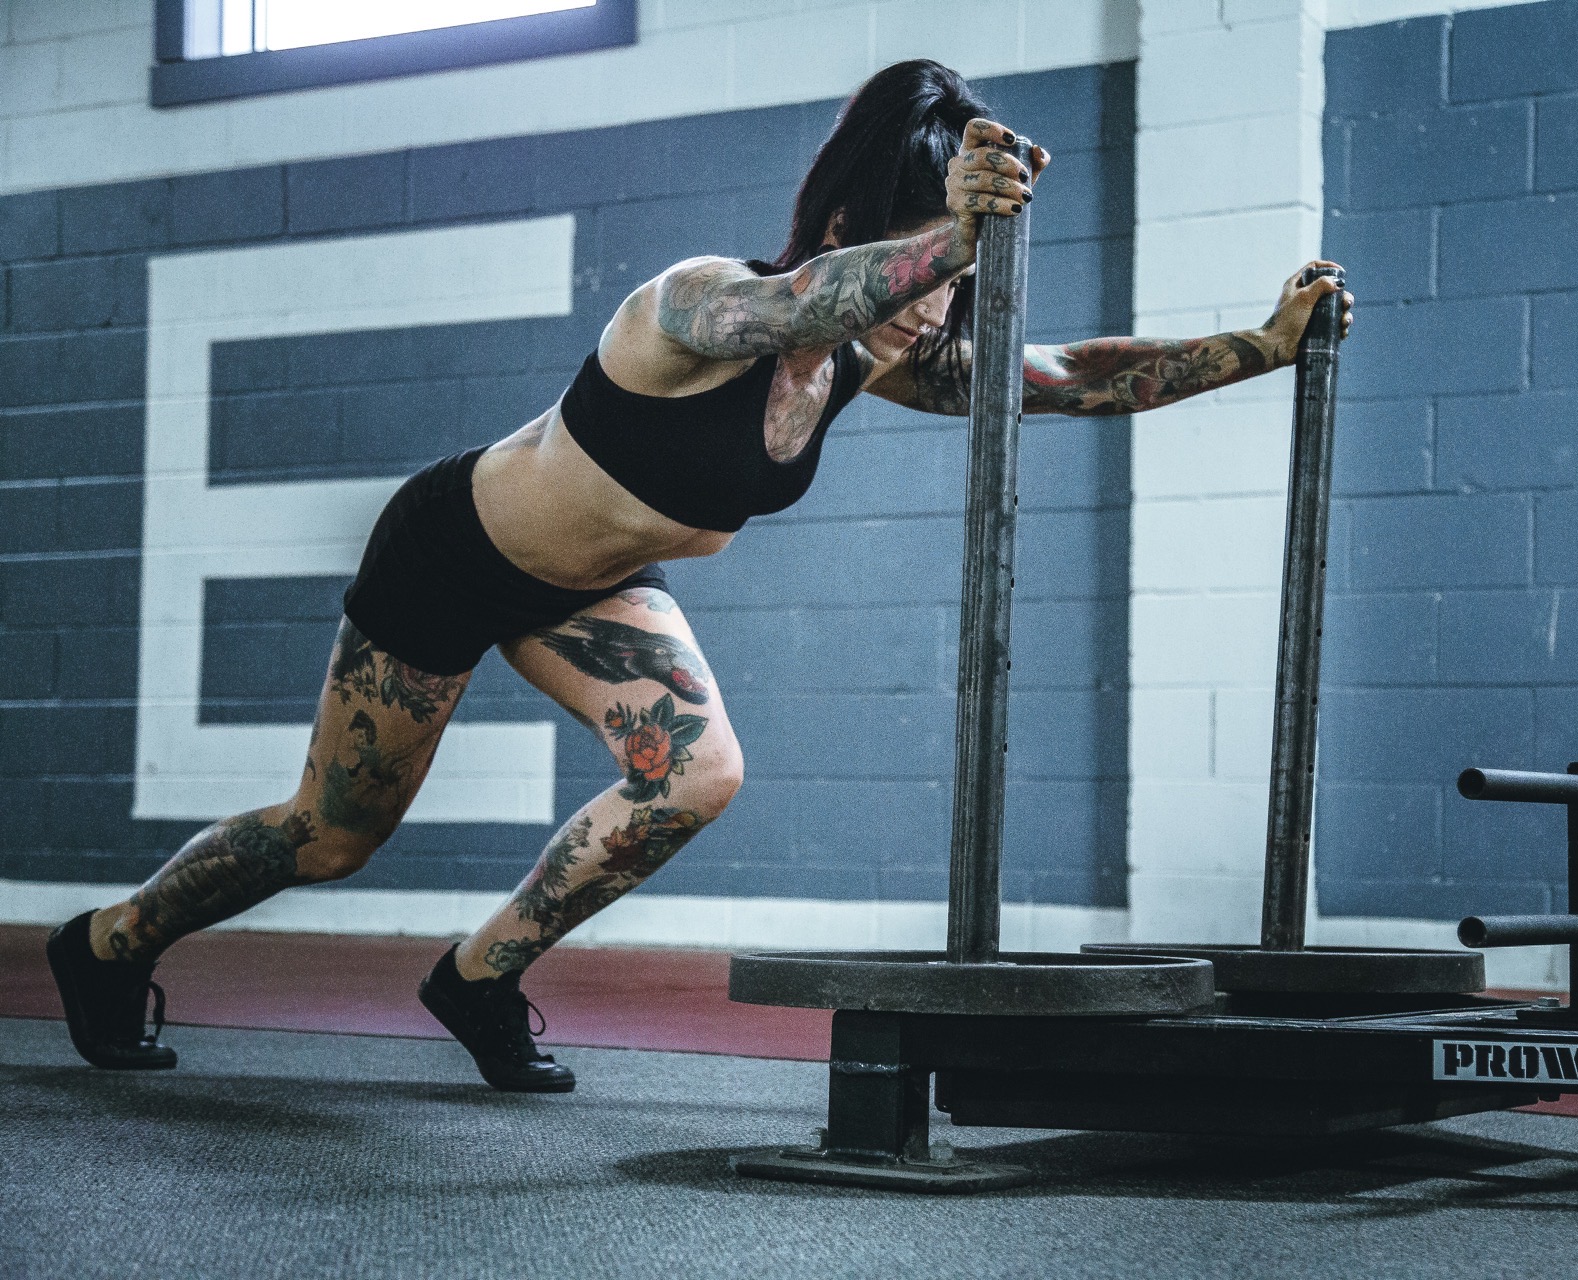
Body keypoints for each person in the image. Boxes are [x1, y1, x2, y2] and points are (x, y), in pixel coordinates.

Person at [46, 59, 1354, 1092]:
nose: (930, 319)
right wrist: (951, 240)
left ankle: (479, 976)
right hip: (452, 557)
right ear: (850, 228)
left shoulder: (887, 347)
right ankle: (106, 944)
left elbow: (1065, 378)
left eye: (947, 286)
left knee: (700, 773)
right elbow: (807, 305)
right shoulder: (702, 306)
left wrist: (1262, 344)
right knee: (332, 837)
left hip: (589, 589)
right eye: (916, 267)